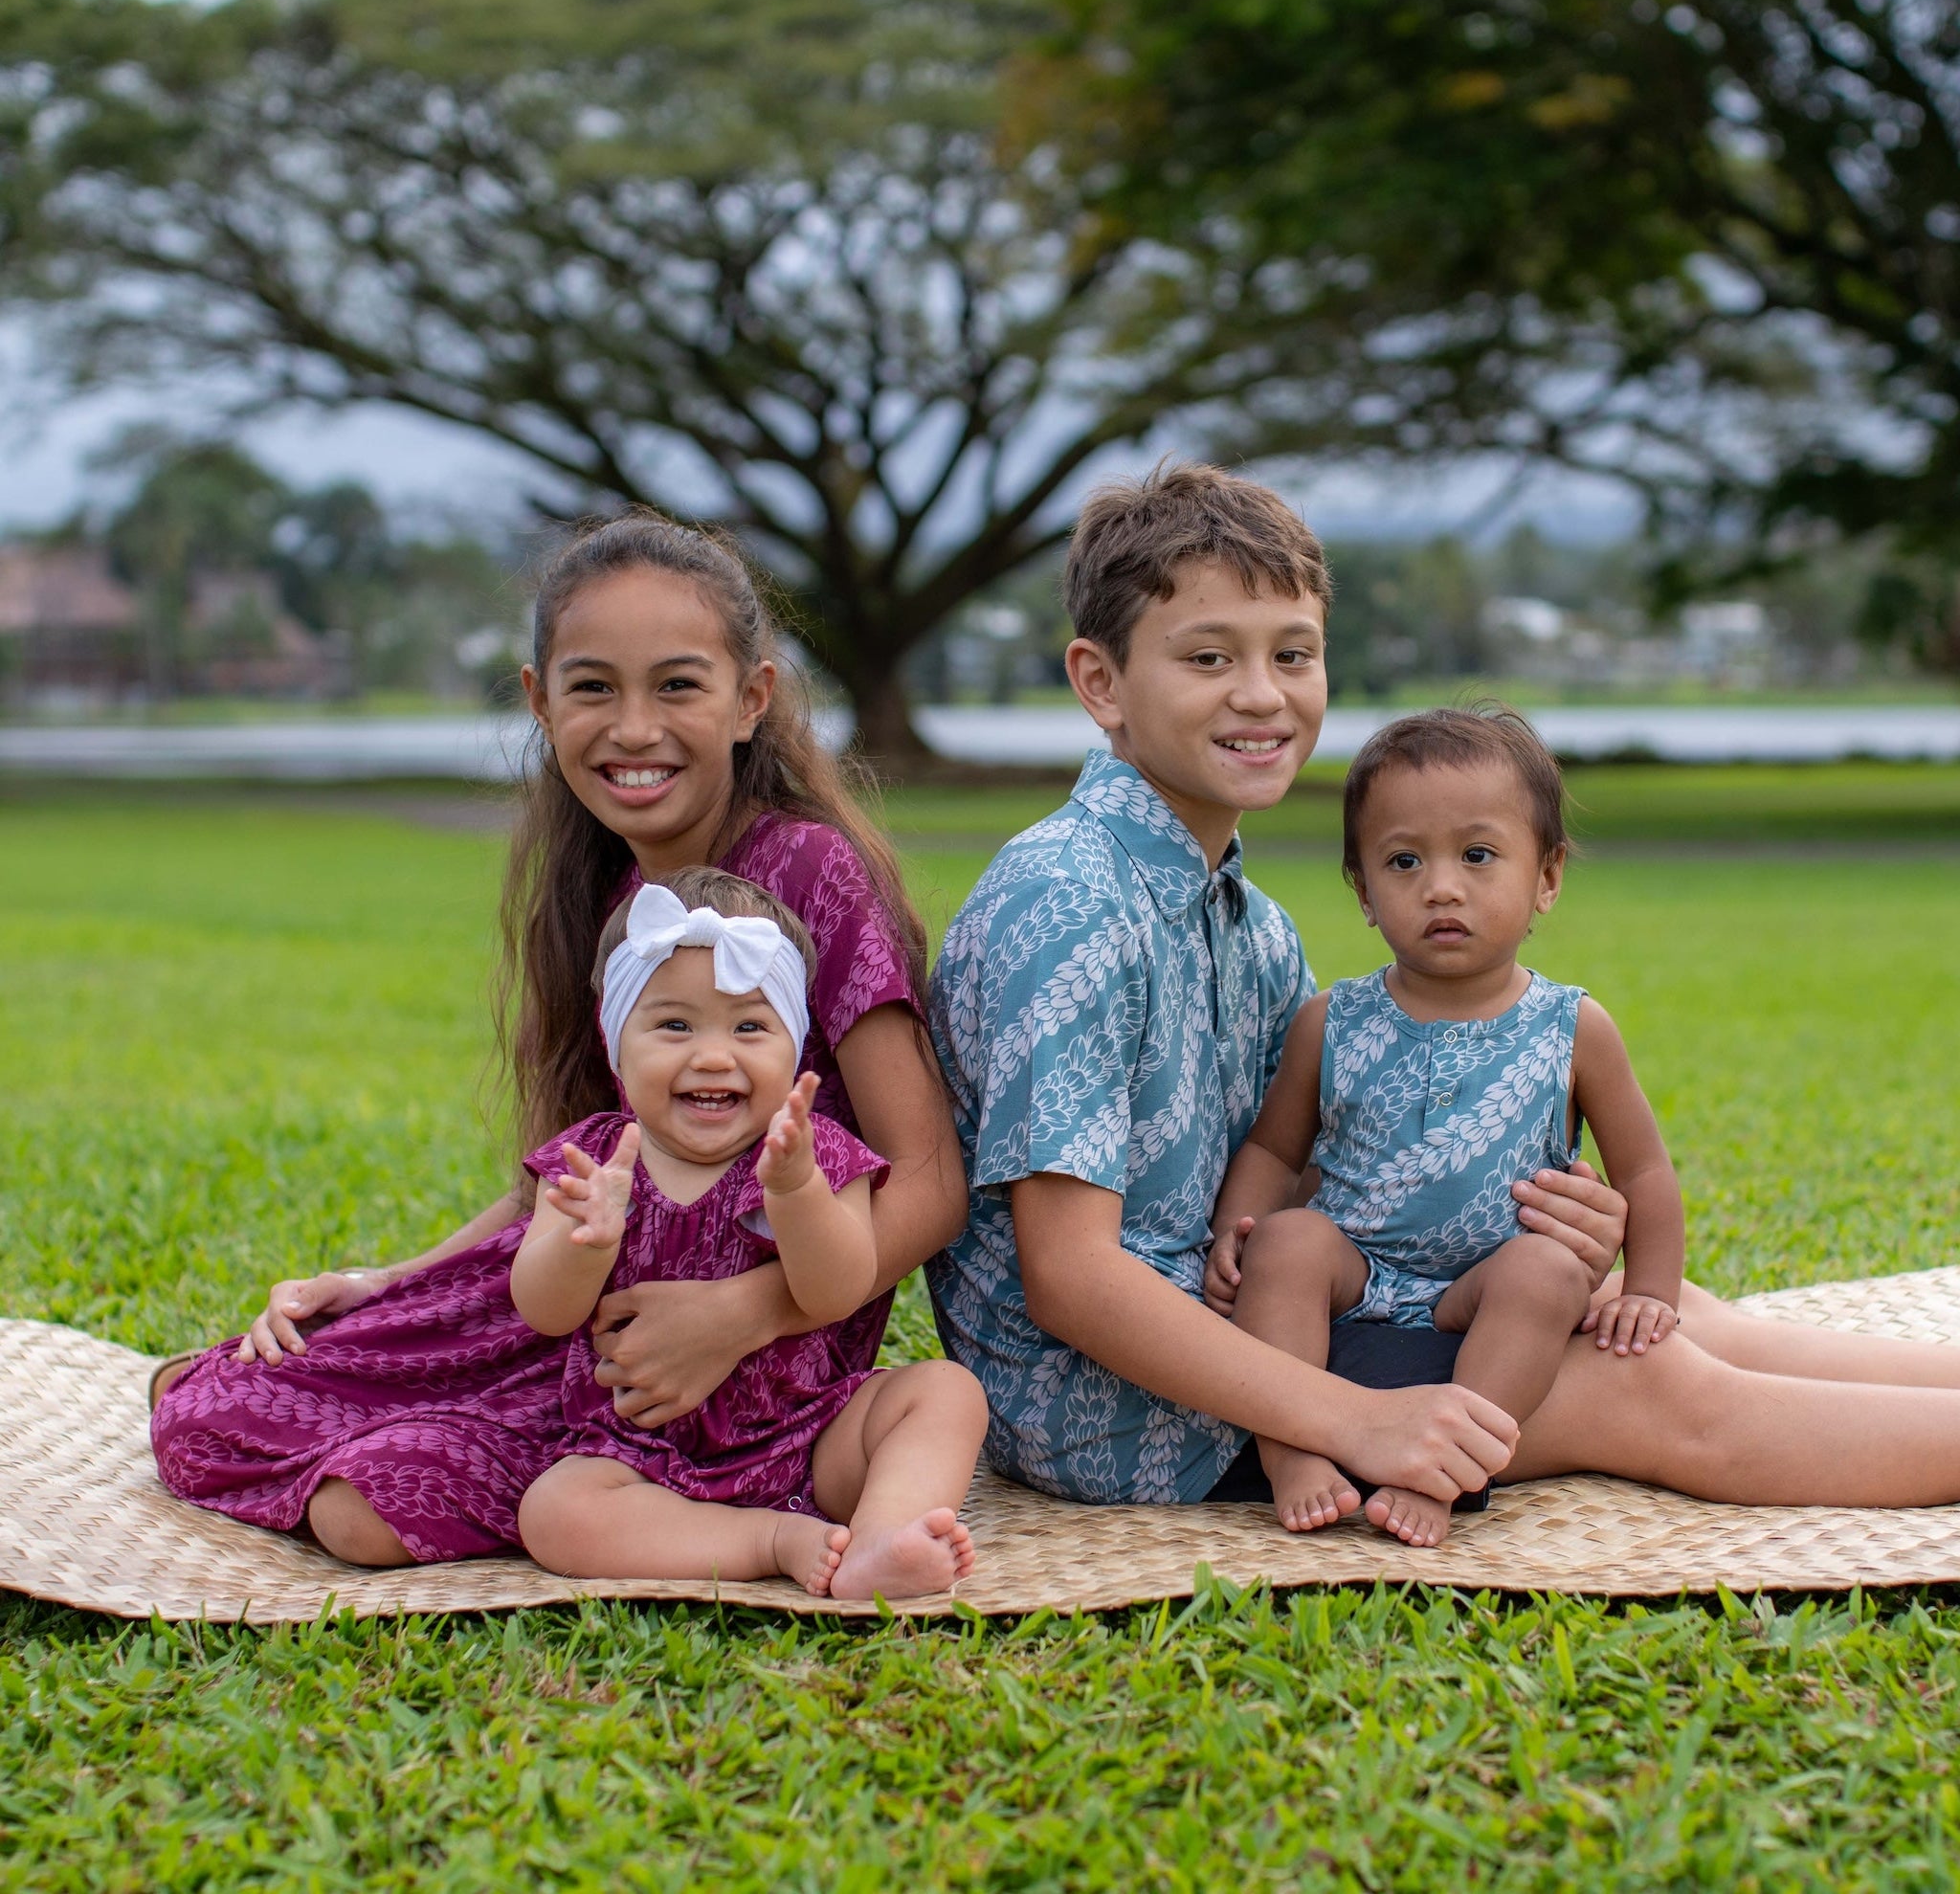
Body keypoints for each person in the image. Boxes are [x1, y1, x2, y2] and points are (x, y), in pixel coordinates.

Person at [927, 459, 1960, 1526]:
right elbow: (1068, 1278)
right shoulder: (1067, 900)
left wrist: (1516, 1200)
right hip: (1115, 1405)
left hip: (1257, 1315)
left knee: (1641, 1311)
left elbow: (1313, 1171)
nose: (1260, 693)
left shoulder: (1250, 923)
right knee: (1644, 1385)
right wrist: (1346, 1416)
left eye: (1292, 654)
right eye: (1206, 657)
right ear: (1098, 682)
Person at [152, 510, 967, 1567]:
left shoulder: (810, 871)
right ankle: (553, 1477)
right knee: (207, 1400)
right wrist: (390, 1278)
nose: (633, 727)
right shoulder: (612, 891)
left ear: (750, 699)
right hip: (596, 1313)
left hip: (767, 1336)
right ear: (539, 701)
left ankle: (700, 1512)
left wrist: (738, 1314)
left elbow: (935, 1179)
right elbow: (582, 1169)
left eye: (676, 684)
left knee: (345, 1494)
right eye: (592, 687)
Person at [1204, 705, 1683, 1547]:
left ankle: (1451, 1471)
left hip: (1487, 1285)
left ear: (1547, 878)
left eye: (1478, 855)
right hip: (1358, 1269)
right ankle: (1294, 1452)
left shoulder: (1574, 1028)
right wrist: (1231, 1233)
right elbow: (1276, 1152)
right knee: (1289, 1244)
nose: (1441, 887)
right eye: (1403, 860)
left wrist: (1649, 1291)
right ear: (1362, 890)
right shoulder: (1333, 1020)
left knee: (1545, 1270)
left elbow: (1642, 1171)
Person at [514, 872, 984, 1597]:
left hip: (810, 1433)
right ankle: (767, 1541)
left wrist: (796, 1192)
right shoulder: (593, 1162)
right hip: (636, 1453)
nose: (712, 1055)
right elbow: (541, 1310)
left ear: (793, 1047)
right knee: (553, 1514)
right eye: (674, 1025)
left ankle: (883, 1534)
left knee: (946, 1394)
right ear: (617, 1044)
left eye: (749, 1027)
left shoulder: (817, 1152)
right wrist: (588, 1245)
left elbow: (836, 1290)